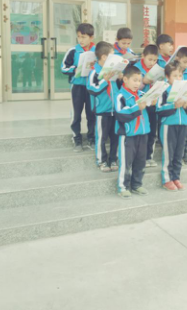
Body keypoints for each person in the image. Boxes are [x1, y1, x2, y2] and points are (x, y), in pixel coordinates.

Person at [115, 66, 153, 199]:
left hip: (143, 133)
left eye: (139, 81)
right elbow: (121, 114)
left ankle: (137, 184)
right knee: (126, 162)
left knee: (140, 161)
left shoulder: (142, 94)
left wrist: (153, 101)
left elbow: (150, 107)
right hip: (128, 135)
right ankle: (123, 187)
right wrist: (137, 107)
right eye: (134, 80)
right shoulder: (120, 95)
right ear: (125, 79)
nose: (137, 83)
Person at [157, 62, 187, 192]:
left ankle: (176, 177)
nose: (178, 79)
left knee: (179, 153)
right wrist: (174, 106)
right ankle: (167, 179)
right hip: (169, 125)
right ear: (167, 77)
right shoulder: (163, 90)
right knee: (169, 154)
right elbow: (159, 109)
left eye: (180, 75)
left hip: (183, 124)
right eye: (175, 76)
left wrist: (186, 105)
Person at [61, 23, 97, 152]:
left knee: (91, 114)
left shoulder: (97, 51)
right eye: (79, 37)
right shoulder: (73, 51)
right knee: (76, 114)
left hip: (92, 87)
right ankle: (77, 139)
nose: (81, 40)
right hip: (77, 87)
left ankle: (91, 138)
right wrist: (74, 69)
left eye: (84, 37)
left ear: (91, 37)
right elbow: (63, 68)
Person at [88, 42, 120, 173]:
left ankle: (113, 159)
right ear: (104, 57)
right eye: (112, 56)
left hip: (115, 110)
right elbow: (92, 89)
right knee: (101, 137)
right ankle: (101, 160)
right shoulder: (94, 72)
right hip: (102, 111)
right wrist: (105, 80)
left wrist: (120, 77)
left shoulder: (112, 70)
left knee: (115, 136)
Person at [134, 44, 160, 168]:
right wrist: (143, 82)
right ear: (143, 56)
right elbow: (131, 88)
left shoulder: (157, 69)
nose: (152, 62)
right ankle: (139, 157)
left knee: (152, 131)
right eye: (149, 59)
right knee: (141, 132)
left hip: (153, 104)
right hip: (140, 105)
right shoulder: (135, 69)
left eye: (155, 60)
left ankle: (149, 156)